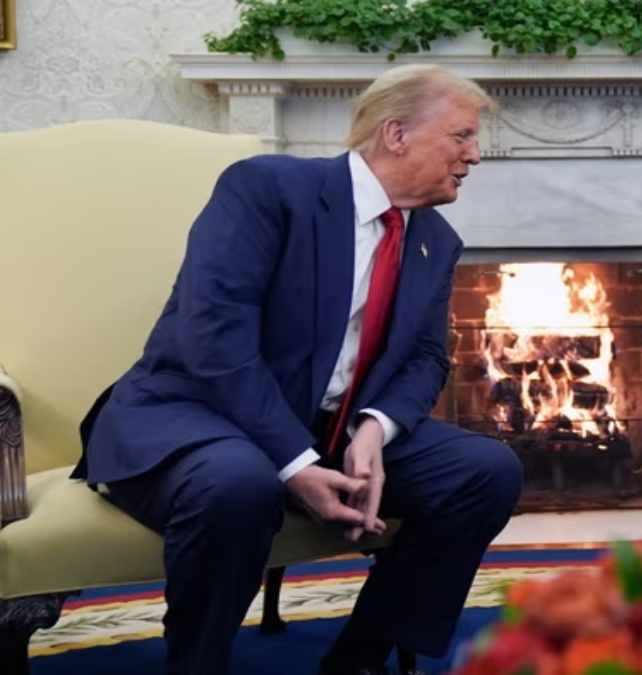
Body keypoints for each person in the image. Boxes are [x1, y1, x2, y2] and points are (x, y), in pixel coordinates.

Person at [71, 64, 524, 675]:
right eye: (461, 136)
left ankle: (359, 660)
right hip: (193, 416)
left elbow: (426, 357)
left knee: (485, 471)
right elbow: (214, 338)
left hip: (328, 425)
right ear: (396, 134)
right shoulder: (267, 188)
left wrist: (374, 429)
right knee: (239, 483)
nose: (475, 155)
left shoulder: (434, 240)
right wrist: (296, 463)